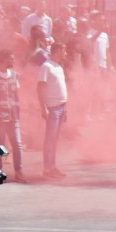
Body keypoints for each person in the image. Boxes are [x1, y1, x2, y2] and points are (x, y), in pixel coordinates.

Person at [0, 49, 26, 182]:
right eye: (11, 58)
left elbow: (17, 95)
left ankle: (19, 172)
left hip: (13, 116)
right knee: (0, 145)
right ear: (4, 59)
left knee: (17, 144)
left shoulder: (15, 75)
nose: (14, 60)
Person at [34, 49, 68, 180]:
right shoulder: (46, 66)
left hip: (61, 107)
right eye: (63, 50)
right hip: (52, 107)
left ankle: (53, 167)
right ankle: (47, 168)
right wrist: (43, 108)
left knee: (55, 140)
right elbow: (40, 87)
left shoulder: (59, 67)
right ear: (57, 51)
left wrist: (65, 108)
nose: (65, 53)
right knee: (50, 139)